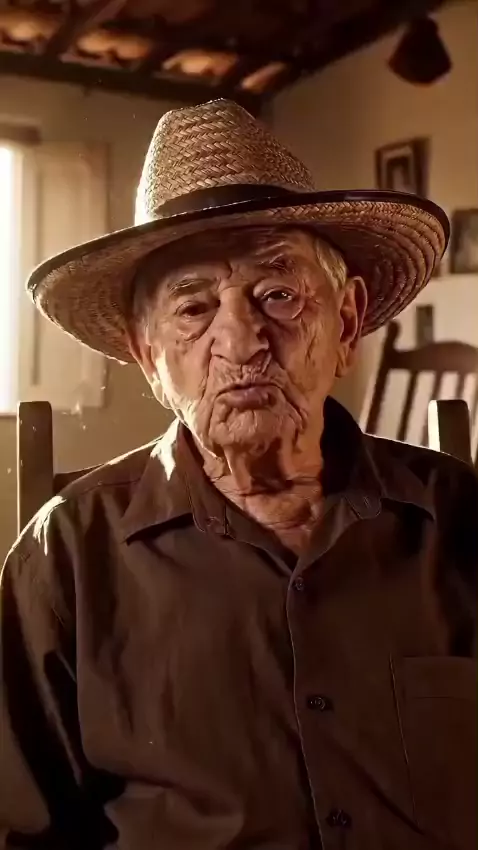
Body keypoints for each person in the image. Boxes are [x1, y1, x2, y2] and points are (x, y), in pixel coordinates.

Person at [1, 99, 476, 850]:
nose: (242, 341)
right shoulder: (67, 554)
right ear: (148, 354)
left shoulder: (461, 517)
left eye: (278, 296)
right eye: (193, 308)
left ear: (347, 320)